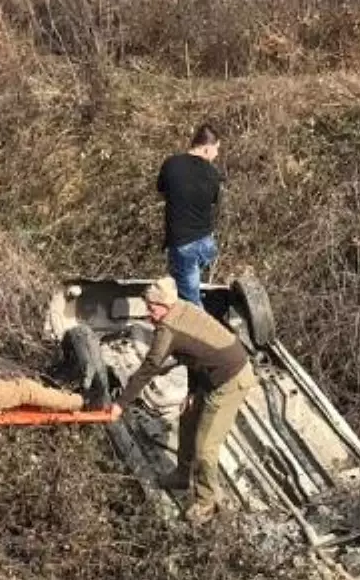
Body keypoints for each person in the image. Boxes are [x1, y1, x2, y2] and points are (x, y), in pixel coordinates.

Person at [109, 277, 257, 525]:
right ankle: (182, 474)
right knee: (188, 420)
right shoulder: (184, 308)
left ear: (165, 305)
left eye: (152, 308)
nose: (149, 313)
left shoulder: (169, 329)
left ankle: (205, 502)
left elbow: (150, 367)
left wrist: (120, 403)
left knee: (205, 447)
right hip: (211, 376)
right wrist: (191, 393)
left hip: (231, 380)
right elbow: (193, 356)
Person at [156, 123, 223, 306]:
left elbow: (162, 190)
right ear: (207, 148)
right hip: (207, 244)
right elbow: (213, 201)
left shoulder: (171, 164)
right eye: (217, 149)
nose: (216, 155)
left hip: (183, 244)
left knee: (191, 304)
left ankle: (203, 332)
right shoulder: (213, 174)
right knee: (188, 288)